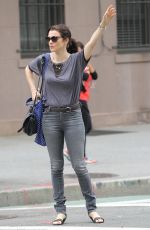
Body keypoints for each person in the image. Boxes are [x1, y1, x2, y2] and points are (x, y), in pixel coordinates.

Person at [25, 5, 116, 225]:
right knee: (56, 166)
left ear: (66, 40)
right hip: (50, 118)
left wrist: (103, 24)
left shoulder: (77, 60)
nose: (50, 41)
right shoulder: (44, 60)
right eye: (48, 38)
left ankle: (92, 209)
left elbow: (93, 42)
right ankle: (60, 211)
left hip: (73, 116)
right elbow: (28, 69)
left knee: (79, 165)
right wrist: (33, 90)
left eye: (54, 38)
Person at [64, 41, 98, 164]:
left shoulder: (84, 64)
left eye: (82, 50)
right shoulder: (75, 64)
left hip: (83, 99)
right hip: (78, 100)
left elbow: (95, 76)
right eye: (78, 50)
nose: (80, 52)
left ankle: (78, 154)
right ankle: (72, 151)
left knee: (83, 128)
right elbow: (82, 76)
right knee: (85, 127)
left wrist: (89, 66)